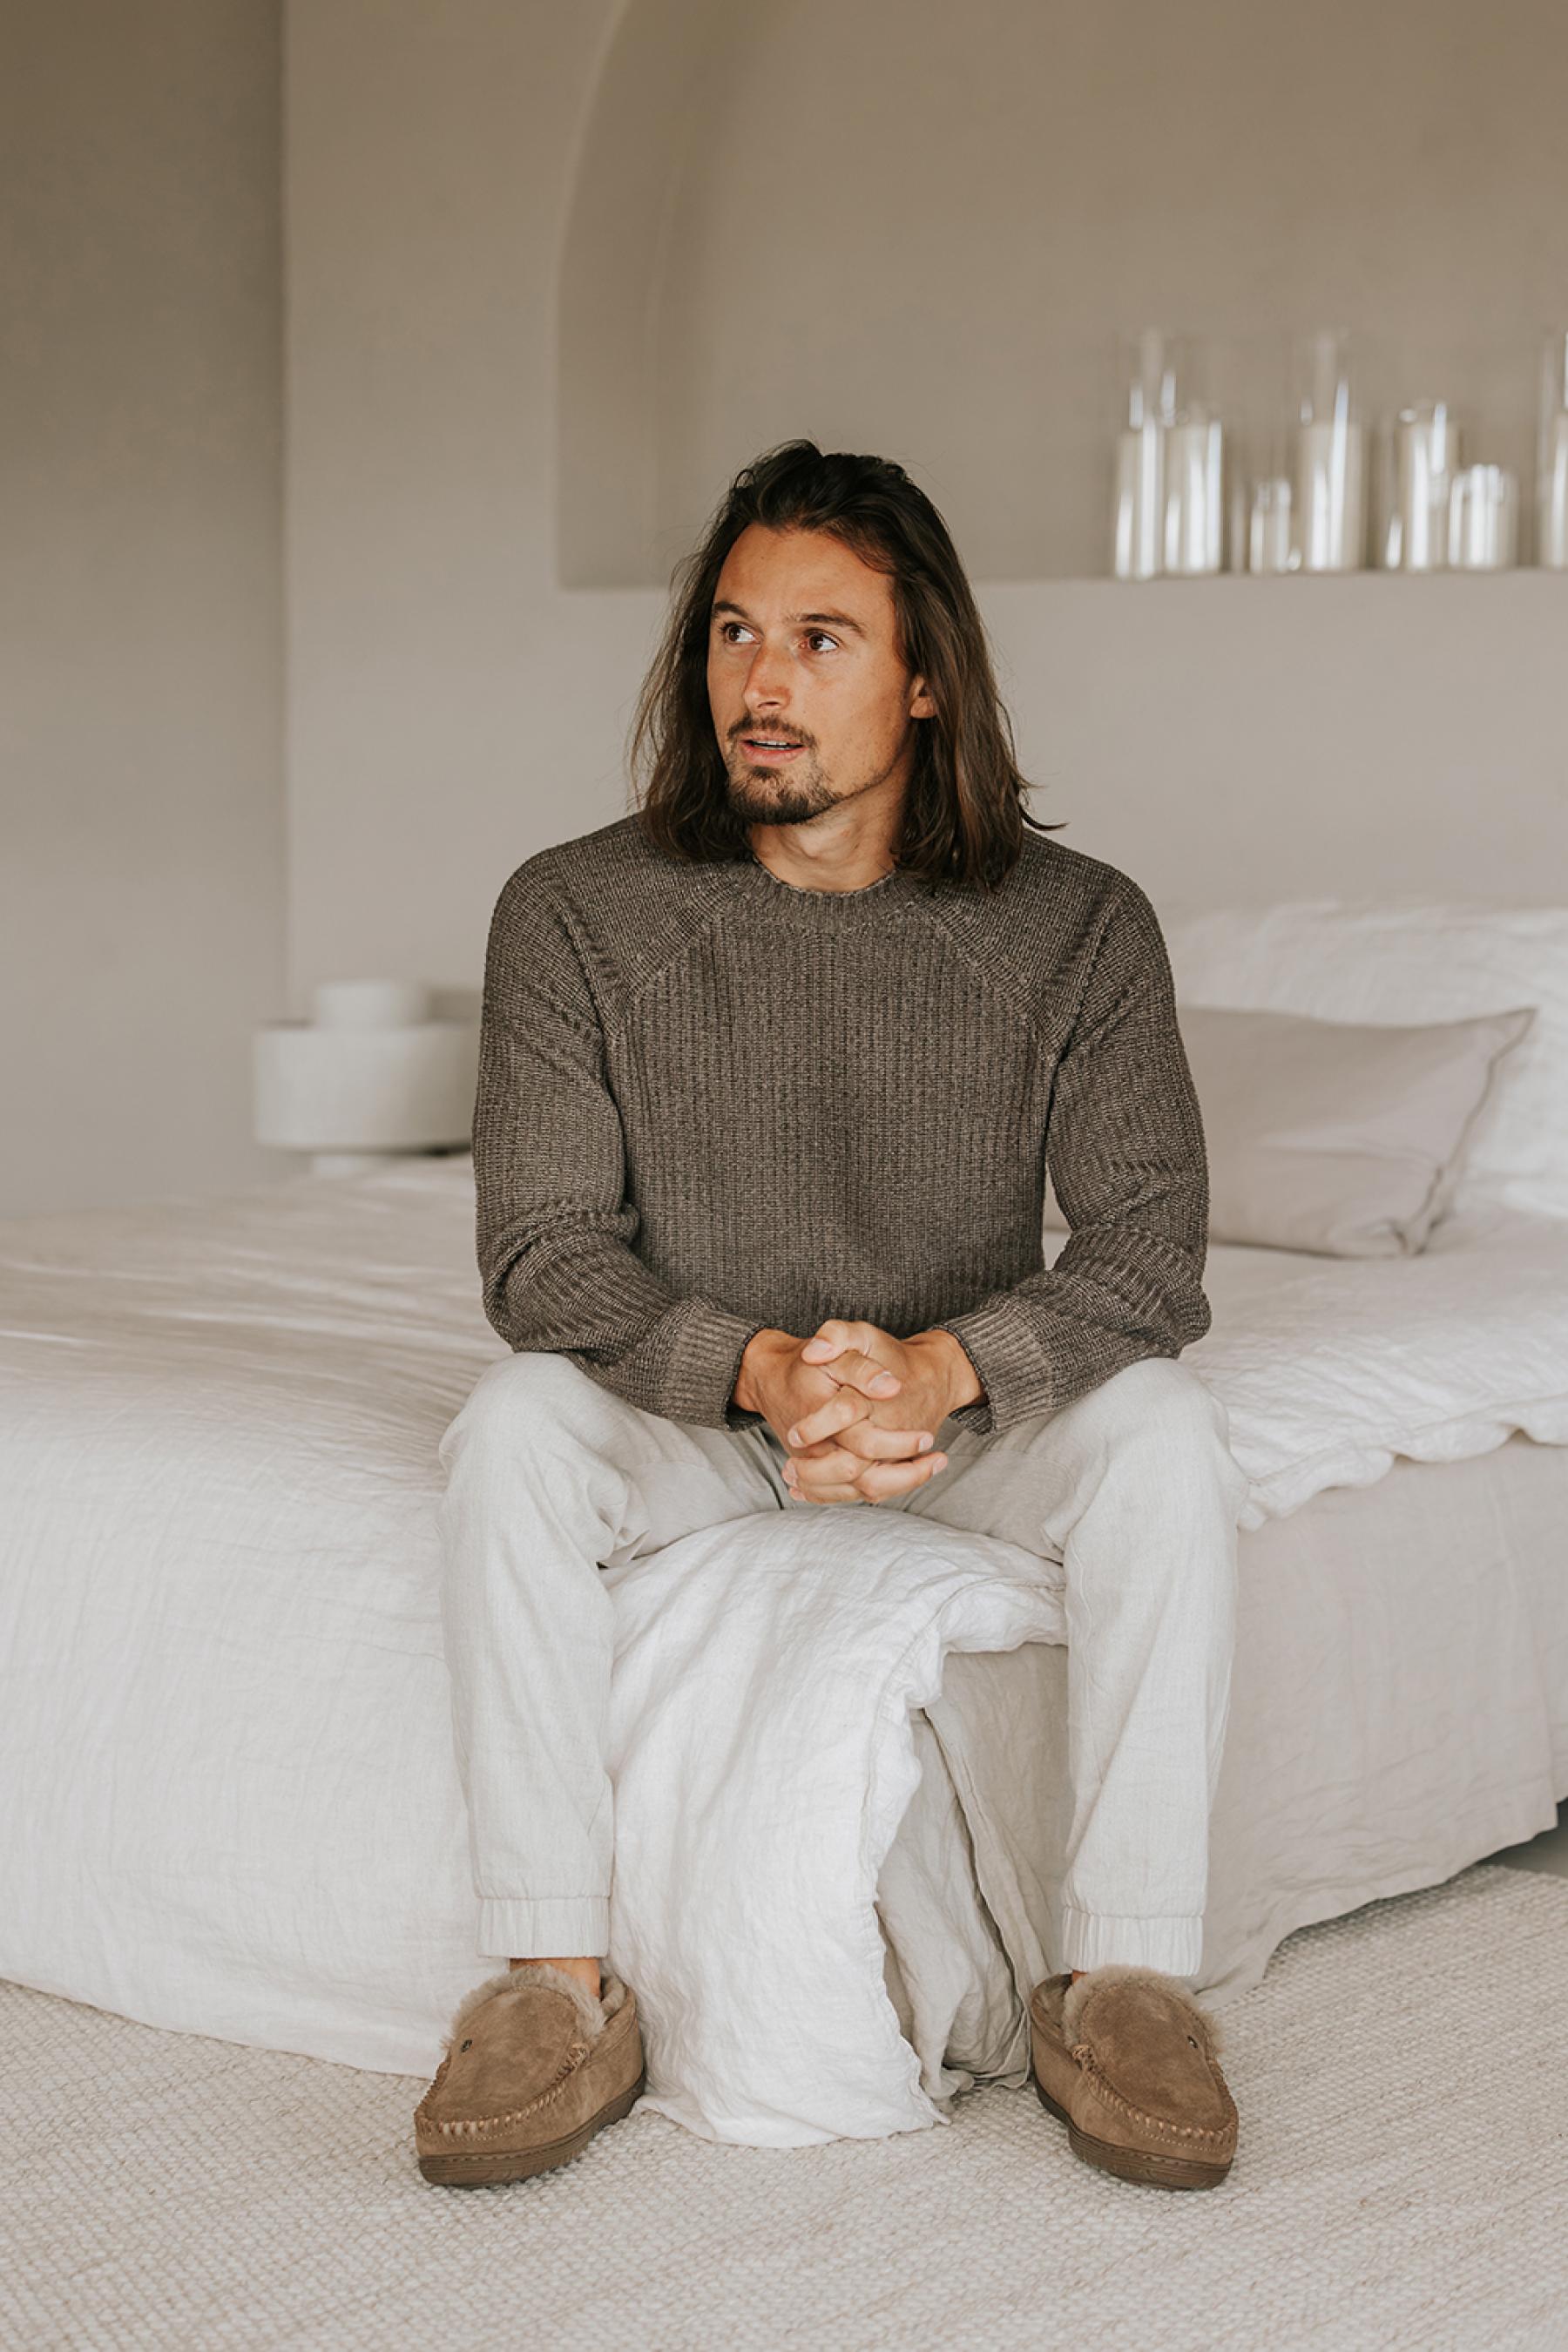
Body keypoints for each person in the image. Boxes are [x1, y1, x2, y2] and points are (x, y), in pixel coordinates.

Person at [414, 440, 1254, 2193]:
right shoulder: (573, 911)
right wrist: (762, 1371)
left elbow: (1153, 1249)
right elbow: (542, 1256)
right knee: (512, 1429)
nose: (760, 683)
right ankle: (554, 1982)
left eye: (818, 639)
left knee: (1167, 1433)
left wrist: (946, 1369)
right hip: (712, 1415)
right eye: (733, 633)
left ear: (925, 676)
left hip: (958, 1424)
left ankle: (1124, 1977)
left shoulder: (1080, 928)